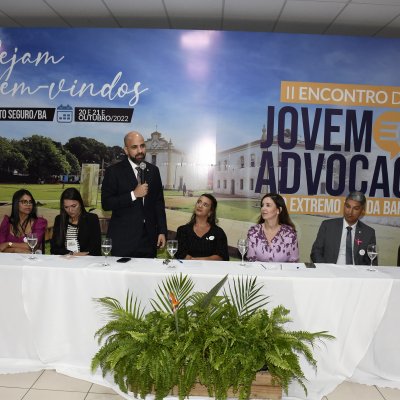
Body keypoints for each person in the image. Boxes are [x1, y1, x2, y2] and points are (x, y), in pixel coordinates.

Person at [101, 131, 167, 257]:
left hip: (148, 239)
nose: (140, 150)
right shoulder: (114, 171)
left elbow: (159, 203)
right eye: (134, 147)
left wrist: (162, 231)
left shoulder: (153, 171)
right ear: (126, 150)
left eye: (142, 146)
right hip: (122, 240)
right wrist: (133, 194)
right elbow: (107, 203)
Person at [310, 191, 376, 265]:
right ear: (344, 205)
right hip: (330, 271)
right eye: (347, 206)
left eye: (356, 209)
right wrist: (326, 269)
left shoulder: (368, 233)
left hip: (355, 274)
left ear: (362, 211)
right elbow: (316, 252)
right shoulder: (328, 226)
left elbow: (372, 261)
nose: (350, 212)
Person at [175, 194, 229, 261]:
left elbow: (222, 256)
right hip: (187, 270)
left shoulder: (218, 233)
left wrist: (198, 260)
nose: (200, 206)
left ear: (210, 212)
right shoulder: (182, 230)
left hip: (210, 270)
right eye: (199, 202)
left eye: (205, 205)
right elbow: (179, 253)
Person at [247, 193, 299, 262]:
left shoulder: (289, 233)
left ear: (278, 210)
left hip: (283, 272)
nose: (263, 208)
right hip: (259, 272)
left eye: (268, 205)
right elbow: (251, 260)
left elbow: (294, 262)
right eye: (262, 205)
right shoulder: (254, 232)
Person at [50, 188, 101, 256]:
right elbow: (54, 248)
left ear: (80, 203)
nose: (70, 210)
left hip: (86, 261)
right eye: (66, 207)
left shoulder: (91, 219)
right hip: (65, 260)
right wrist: (72, 254)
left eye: (74, 206)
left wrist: (81, 256)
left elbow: (96, 248)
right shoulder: (59, 219)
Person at [0, 189, 47, 253]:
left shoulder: (39, 222)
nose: (28, 204)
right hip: (7, 261)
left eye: (30, 202)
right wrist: (16, 250)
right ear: (16, 203)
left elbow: (32, 246)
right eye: (24, 202)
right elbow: (1, 247)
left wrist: (8, 244)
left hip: (29, 261)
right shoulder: (7, 222)